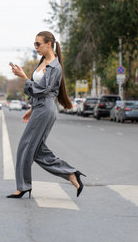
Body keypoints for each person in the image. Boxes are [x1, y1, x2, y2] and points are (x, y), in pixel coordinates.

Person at [8, 31, 86, 199]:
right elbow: (38, 90)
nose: (35, 47)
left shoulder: (55, 67)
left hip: (46, 109)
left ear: (49, 44)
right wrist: (32, 108)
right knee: (35, 150)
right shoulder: (43, 61)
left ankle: (23, 186)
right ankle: (71, 174)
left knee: (25, 146)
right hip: (40, 107)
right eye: (34, 44)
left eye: (38, 44)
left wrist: (23, 77)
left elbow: (43, 89)